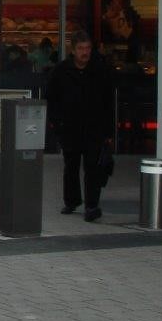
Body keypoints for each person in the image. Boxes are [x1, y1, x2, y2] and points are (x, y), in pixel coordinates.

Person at [46, 30, 115, 222]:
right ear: (73, 50)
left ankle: (92, 205)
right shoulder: (61, 71)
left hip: (94, 128)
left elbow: (108, 102)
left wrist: (108, 131)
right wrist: (56, 124)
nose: (85, 52)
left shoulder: (100, 70)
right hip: (69, 127)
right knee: (71, 165)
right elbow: (51, 99)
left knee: (93, 167)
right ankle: (72, 201)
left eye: (88, 48)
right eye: (81, 48)